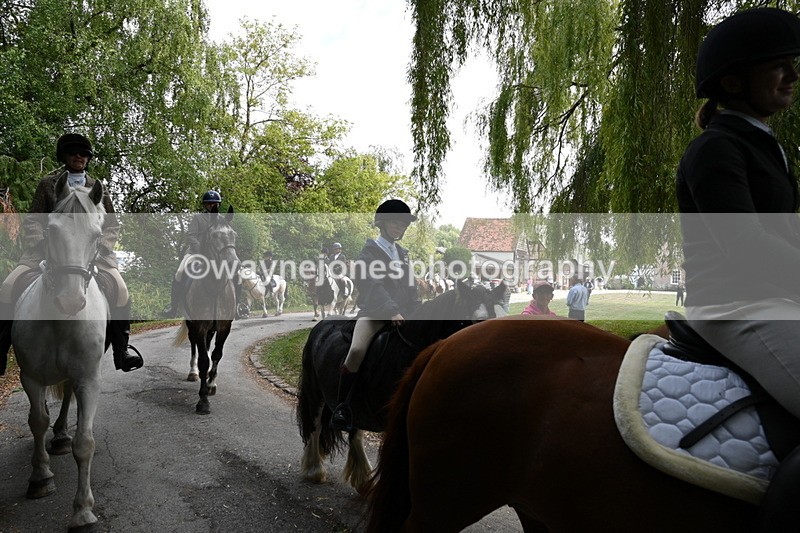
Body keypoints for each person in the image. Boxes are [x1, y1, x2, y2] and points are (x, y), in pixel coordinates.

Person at [676, 8, 800, 530]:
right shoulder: (716, 148)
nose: (794, 76)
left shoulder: (764, 146)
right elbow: (745, 245)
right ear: (734, 81)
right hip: (738, 306)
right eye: (779, 67)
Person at [0, 133, 143, 374]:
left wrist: (102, 247)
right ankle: (1, 348)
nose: (79, 157)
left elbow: (113, 224)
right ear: (65, 156)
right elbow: (34, 220)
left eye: (84, 154)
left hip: (93, 253)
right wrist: (44, 244)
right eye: (74, 152)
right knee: (8, 285)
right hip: (47, 253)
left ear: (88, 159)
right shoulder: (49, 184)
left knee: (120, 289)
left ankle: (122, 349)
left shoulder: (98, 187)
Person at [330, 199, 420, 431]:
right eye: (395, 223)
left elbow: (410, 286)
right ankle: (343, 406)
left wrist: (417, 308)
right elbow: (371, 285)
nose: (400, 227)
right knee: (357, 350)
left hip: (403, 314)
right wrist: (391, 310)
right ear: (383, 223)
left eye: (403, 224)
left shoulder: (402, 253)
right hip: (375, 313)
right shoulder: (369, 252)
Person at [162, 190, 223, 318]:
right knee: (179, 272)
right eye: (209, 204)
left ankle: (236, 304)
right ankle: (174, 307)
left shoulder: (221, 220)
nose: (212, 206)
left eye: (214, 204)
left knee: (235, 273)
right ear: (205, 205)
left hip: (216, 254)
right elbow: (191, 235)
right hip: (196, 252)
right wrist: (200, 249)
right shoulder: (198, 218)